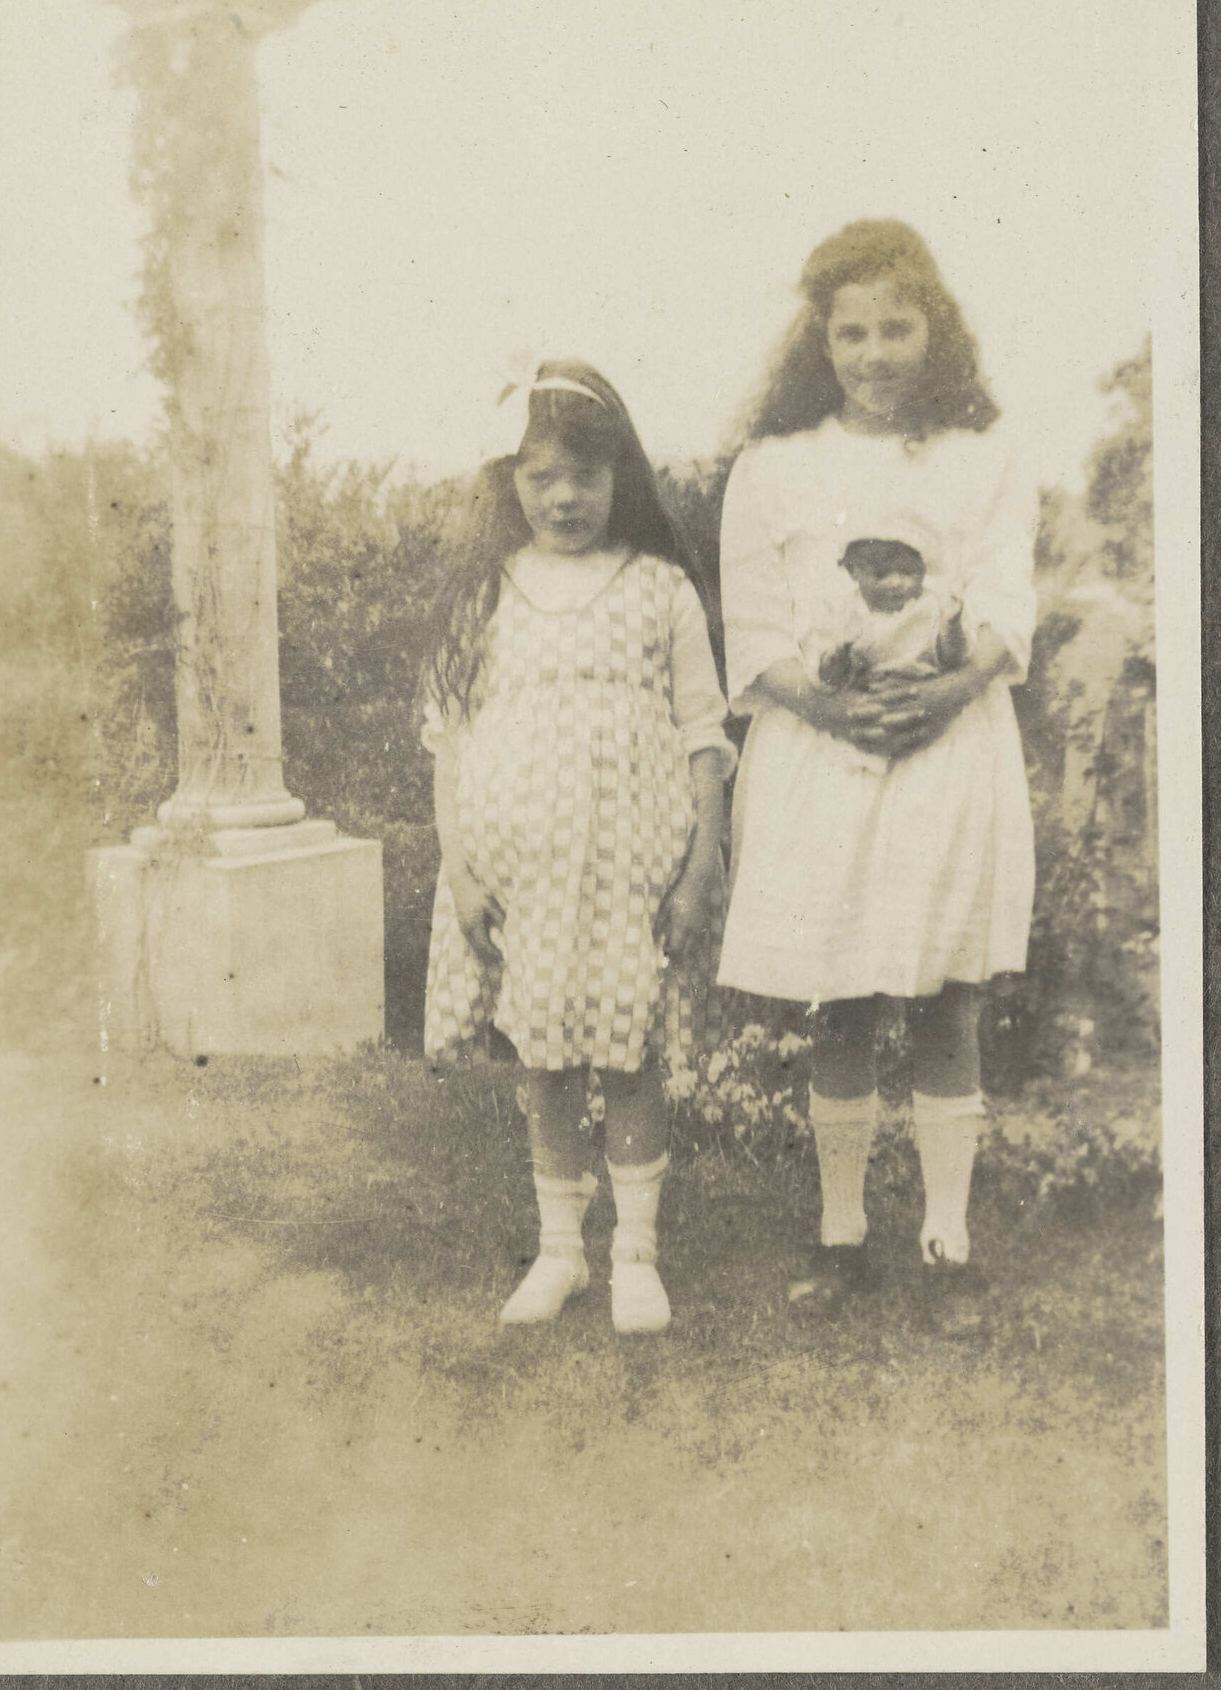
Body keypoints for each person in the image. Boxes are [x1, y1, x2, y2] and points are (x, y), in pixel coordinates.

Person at [717, 220, 1037, 1333]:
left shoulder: (983, 456)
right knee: (841, 996)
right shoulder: (774, 465)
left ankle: (947, 1243)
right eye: (850, 333)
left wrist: (949, 692)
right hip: (823, 756)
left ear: (932, 330)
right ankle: (840, 1235)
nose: (873, 354)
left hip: (949, 749)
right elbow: (756, 628)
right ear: (821, 341)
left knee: (946, 995)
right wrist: (833, 710)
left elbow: (1004, 600)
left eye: (896, 328)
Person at [423, 358, 734, 1335]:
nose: (563, 497)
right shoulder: (486, 594)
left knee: (630, 1053)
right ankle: (560, 1251)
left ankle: (634, 1253)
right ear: (508, 481)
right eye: (540, 476)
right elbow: (448, 742)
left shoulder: (659, 588)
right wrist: (458, 867)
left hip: (632, 869)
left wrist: (701, 865)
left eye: (585, 475)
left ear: (619, 476)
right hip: (521, 875)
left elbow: (704, 734)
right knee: (547, 1060)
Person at [801, 524, 967, 772]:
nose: (896, 582)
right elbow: (823, 675)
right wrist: (836, 658)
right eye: (880, 575)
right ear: (853, 571)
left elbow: (953, 659)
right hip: (859, 701)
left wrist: (952, 628)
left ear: (923, 569)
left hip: (923, 697)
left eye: (908, 572)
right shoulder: (843, 612)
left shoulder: (930, 607)